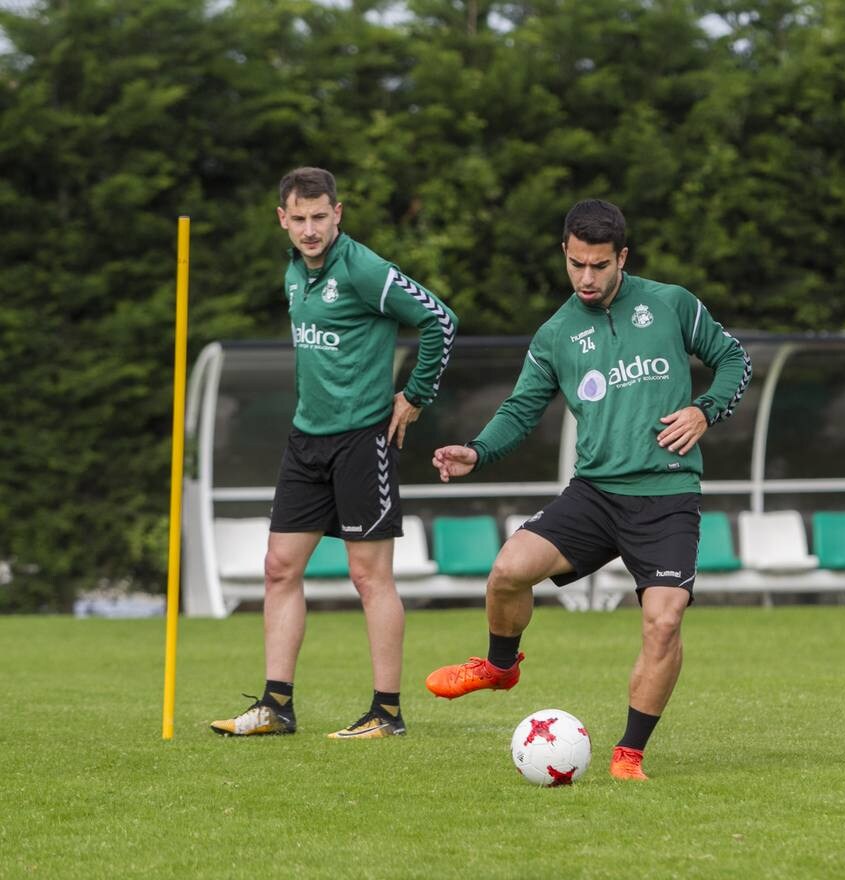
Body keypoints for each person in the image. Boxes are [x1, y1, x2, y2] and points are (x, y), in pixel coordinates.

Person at [425, 199, 750, 779]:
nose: (586, 278)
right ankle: (500, 667)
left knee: (665, 619)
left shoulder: (671, 304)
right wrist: (476, 450)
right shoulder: (556, 332)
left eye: (599, 265)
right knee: (508, 570)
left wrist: (704, 411)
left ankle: (629, 755)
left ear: (622, 257)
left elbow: (733, 360)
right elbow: (522, 408)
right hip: (596, 493)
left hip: (667, 493)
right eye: (576, 264)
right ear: (565, 255)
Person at [211, 167, 458, 739]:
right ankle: (276, 706)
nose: (310, 229)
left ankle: (387, 713)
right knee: (279, 569)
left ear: (338, 213)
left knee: (368, 577)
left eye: (319, 217)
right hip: (306, 440)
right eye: (298, 219)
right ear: (282, 219)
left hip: (361, 440)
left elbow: (440, 320)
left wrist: (415, 396)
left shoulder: (364, 268)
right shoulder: (295, 273)